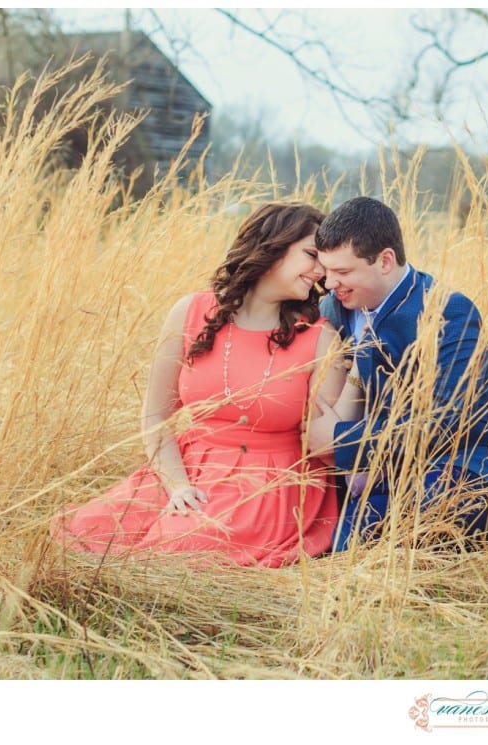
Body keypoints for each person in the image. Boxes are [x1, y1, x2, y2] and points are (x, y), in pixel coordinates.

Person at [51, 202, 348, 567]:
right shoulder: (191, 312)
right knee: (90, 530)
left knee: (179, 547)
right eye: (310, 255)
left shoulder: (318, 337)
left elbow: (328, 443)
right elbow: (156, 417)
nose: (321, 271)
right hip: (188, 466)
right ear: (272, 247)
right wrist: (177, 485)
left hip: (268, 481)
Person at [308, 196, 488, 551]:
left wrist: (340, 440)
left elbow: (446, 420)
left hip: (463, 467)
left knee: (395, 530)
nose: (330, 283)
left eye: (343, 272)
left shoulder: (448, 311)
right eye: (326, 271)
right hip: (381, 475)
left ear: (385, 261)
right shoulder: (334, 309)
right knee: (341, 547)